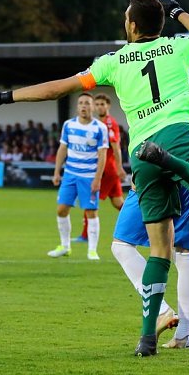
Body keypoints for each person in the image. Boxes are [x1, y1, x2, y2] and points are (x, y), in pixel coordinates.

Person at [0, 0, 189, 357]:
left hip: (142, 154)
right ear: (161, 24)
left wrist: (7, 96)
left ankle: (147, 339)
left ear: (131, 25)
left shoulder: (113, 61)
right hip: (179, 139)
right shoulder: (178, 48)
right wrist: (177, 10)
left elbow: (58, 88)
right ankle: (180, 167)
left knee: (159, 251)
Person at [112, 48, 189, 350]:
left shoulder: (174, 70)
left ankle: (162, 311)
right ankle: (184, 335)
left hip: (157, 163)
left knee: (122, 245)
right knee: (185, 255)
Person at [48, 92, 109, 260]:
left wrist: (97, 178)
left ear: (92, 107)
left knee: (91, 211)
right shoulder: (68, 125)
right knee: (61, 209)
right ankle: (65, 246)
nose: (83, 106)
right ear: (77, 106)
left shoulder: (100, 128)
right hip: (70, 174)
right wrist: (56, 171)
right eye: (81, 103)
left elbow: (102, 155)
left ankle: (92, 250)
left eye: (87, 103)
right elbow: (62, 149)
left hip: (89, 176)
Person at [74, 93, 127, 243]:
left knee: (89, 199)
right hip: (109, 169)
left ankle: (85, 235)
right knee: (118, 202)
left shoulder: (109, 123)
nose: (99, 107)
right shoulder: (100, 122)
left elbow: (116, 148)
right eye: (97, 104)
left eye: (102, 104)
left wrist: (119, 168)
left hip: (107, 170)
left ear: (108, 106)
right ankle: (144, 222)